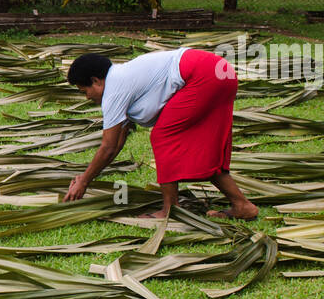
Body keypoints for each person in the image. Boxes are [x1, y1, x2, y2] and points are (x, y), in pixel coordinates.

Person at [61, 47, 259, 220]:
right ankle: (242, 206)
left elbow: (108, 146)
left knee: (162, 136)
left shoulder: (114, 88)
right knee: (204, 150)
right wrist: (85, 178)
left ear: (95, 81)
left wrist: (84, 181)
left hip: (205, 74)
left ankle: (170, 209)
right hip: (221, 72)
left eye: (83, 90)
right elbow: (118, 142)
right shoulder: (124, 78)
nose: (87, 97)